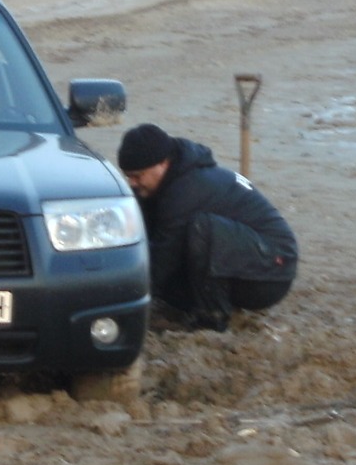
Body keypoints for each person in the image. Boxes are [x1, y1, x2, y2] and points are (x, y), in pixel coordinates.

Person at [117, 123, 298, 331]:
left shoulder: (187, 191)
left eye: (137, 176)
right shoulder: (168, 183)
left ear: (163, 164)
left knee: (201, 230)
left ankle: (212, 321)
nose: (131, 183)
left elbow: (161, 261)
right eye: (127, 176)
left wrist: (125, 306)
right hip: (246, 256)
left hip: (272, 271)